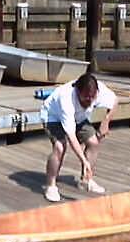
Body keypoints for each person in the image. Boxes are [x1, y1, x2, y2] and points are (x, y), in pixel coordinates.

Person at [40, 73, 118, 203]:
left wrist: (106, 122)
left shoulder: (101, 91)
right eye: (85, 98)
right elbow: (71, 136)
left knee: (93, 142)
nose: (89, 101)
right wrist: (83, 160)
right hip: (53, 116)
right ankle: (51, 185)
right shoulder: (66, 98)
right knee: (60, 146)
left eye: (92, 98)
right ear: (77, 91)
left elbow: (115, 102)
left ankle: (86, 180)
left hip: (79, 117)